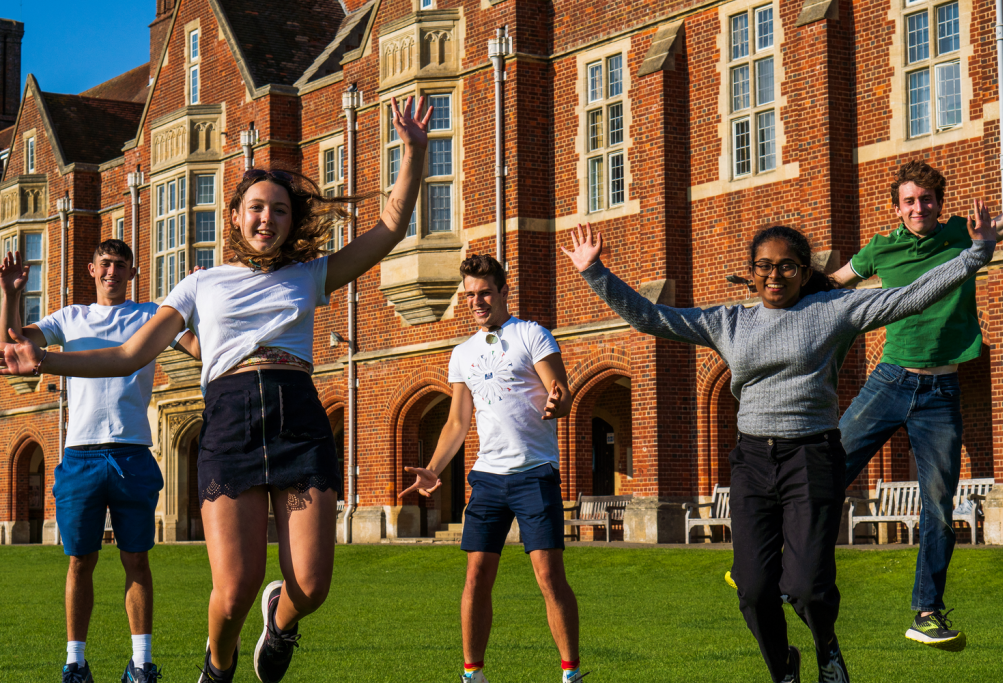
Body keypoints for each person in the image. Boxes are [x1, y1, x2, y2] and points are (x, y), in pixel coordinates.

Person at [0, 96, 432, 683]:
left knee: (311, 584)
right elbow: (131, 353)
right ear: (234, 216)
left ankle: (279, 621)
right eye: (256, 208)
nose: (267, 219)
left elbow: (389, 230)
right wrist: (44, 356)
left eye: (279, 211)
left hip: (297, 417)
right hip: (229, 421)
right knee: (232, 592)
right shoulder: (200, 283)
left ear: (290, 220)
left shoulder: (309, 275)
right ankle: (218, 667)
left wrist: (412, 152)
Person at [560, 216, 997, 683]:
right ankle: (783, 669)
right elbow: (653, 317)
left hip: (811, 456)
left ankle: (826, 647)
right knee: (751, 588)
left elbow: (907, 296)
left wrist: (975, 254)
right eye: (764, 266)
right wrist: (594, 271)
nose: (774, 275)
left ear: (804, 272)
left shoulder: (833, 309)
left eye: (787, 267)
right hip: (752, 462)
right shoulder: (730, 322)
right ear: (751, 271)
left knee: (807, 587)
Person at [830, 160, 1003, 651]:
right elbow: (832, 284)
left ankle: (927, 611)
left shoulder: (963, 234)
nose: (919, 207)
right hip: (890, 381)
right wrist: (776, 284)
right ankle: (766, 560)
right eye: (909, 201)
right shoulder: (881, 247)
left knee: (937, 507)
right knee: (824, 468)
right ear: (897, 207)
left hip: (941, 395)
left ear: (939, 202)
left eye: (927, 199)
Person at [0, 240, 200, 683]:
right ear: (91, 269)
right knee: (79, 562)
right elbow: (12, 346)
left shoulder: (151, 314)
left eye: (121, 265)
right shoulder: (70, 317)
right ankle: (75, 663)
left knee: (137, 560)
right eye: (105, 264)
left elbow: (200, 349)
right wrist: (11, 295)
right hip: (81, 455)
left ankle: (142, 664)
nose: (112, 271)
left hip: (132, 451)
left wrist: (198, 300)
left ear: (132, 273)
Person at [399, 254, 587, 683]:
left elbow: (562, 390)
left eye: (485, 293)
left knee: (548, 575)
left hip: (534, 472)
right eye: (470, 295)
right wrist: (434, 469)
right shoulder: (462, 353)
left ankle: (571, 673)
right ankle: (472, 675)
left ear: (503, 291)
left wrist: (560, 401)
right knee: (477, 574)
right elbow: (457, 422)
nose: (477, 301)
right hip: (486, 479)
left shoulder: (531, 335)